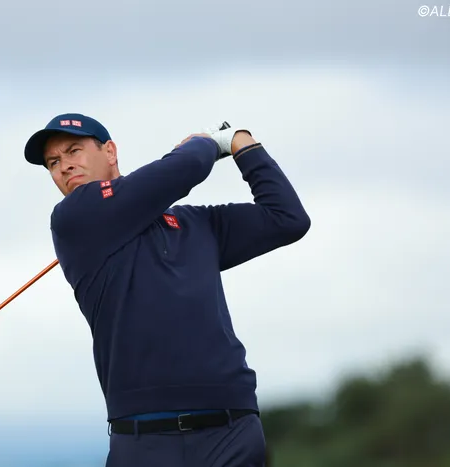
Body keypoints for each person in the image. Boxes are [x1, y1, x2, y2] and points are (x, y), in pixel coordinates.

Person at [24, 113, 310, 467]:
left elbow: (287, 218)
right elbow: (187, 166)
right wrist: (209, 141)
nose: (64, 166)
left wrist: (244, 143)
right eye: (53, 162)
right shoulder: (73, 217)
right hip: (144, 438)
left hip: (231, 429)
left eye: (73, 151)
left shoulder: (195, 224)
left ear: (110, 152)